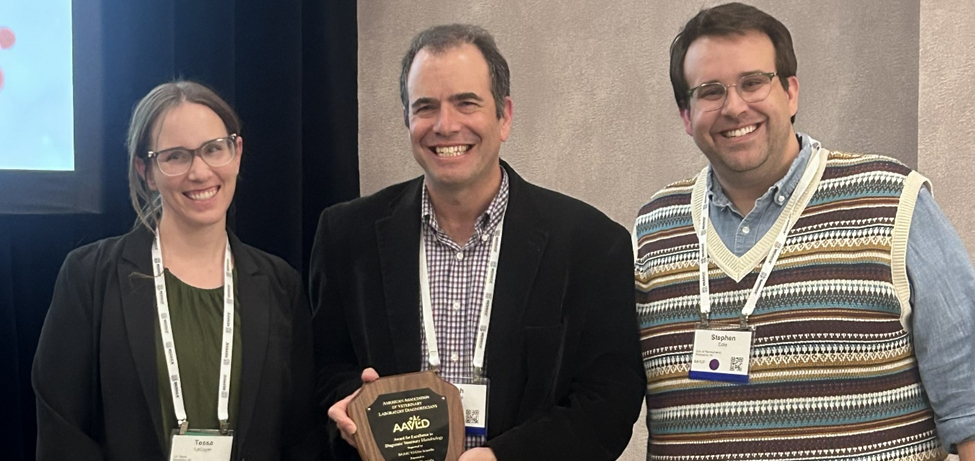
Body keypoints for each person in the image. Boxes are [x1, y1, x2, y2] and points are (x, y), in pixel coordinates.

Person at [634, 3, 975, 460]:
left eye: (754, 82)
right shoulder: (654, 226)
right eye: (710, 91)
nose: (735, 107)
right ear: (685, 114)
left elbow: (969, 406)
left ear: (791, 92)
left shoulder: (893, 201)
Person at [310, 24, 645, 461]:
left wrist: (502, 458)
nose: (445, 126)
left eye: (466, 103)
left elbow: (608, 403)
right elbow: (321, 370)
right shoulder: (345, 236)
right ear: (407, 118)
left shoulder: (592, 246)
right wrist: (349, 402)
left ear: (503, 115)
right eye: (425, 107)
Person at [32, 81, 319, 460]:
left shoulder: (280, 285)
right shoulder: (89, 277)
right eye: (176, 156)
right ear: (147, 171)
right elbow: (61, 433)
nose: (199, 172)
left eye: (214, 150)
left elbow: (299, 436)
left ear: (237, 153)